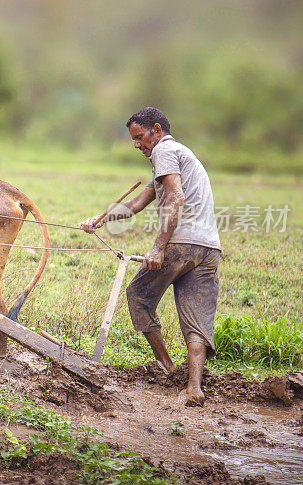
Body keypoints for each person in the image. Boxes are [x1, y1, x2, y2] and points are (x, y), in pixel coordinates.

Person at [78, 107, 221, 407]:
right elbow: (135, 204)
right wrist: (100, 219)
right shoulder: (179, 156)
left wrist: (158, 247)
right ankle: (194, 388)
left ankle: (167, 369)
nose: (137, 145)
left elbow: (176, 196)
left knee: (138, 295)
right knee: (196, 320)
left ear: (157, 131)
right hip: (208, 249)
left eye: (139, 137)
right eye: (133, 139)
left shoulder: (165, 151)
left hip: (180, 244)